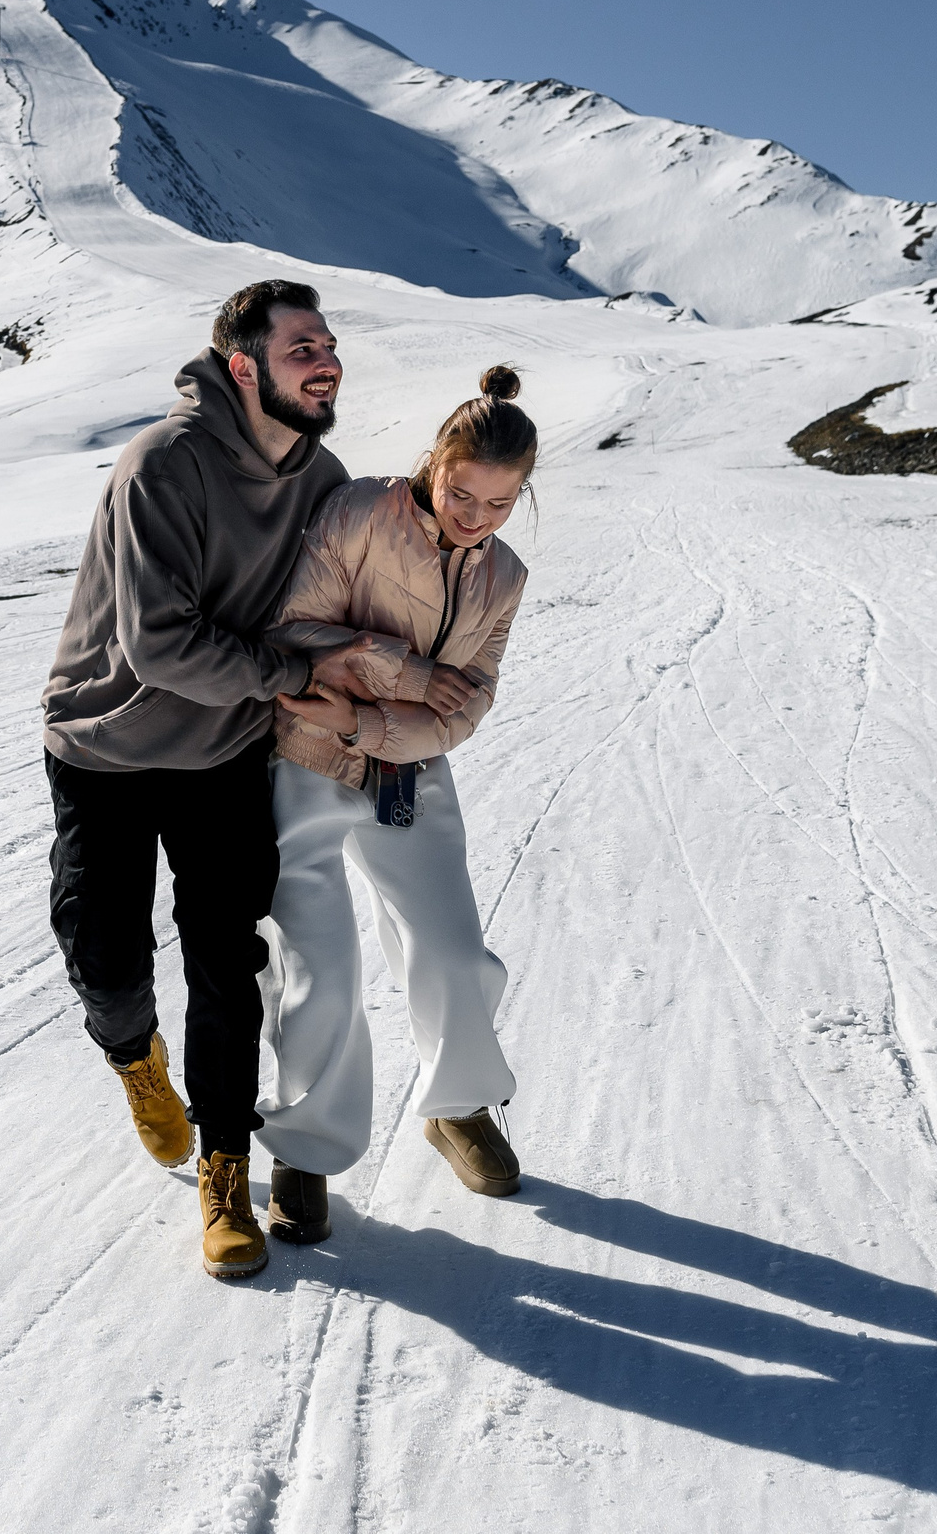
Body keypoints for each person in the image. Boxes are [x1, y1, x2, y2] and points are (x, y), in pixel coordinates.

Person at [42, 279, 376, 1280]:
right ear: (243, 368)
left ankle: (224, 1167)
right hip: (106, 744)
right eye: (299, 347)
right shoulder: (164, 466)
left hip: (224, 754)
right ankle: (132, 1051)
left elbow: (367, 583)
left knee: (226, 961)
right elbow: (158, 647)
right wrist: (289, 675)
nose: (325, 361)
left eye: (328, 343)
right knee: (104, 956)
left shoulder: (324, 482)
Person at [251, 366, 539, 1246]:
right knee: (317, 964)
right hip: (304, 757)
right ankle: (305, 1147)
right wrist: (409, 677)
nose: (476, 517)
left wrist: (373, 717)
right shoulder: (357, 512)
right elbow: (297, 630)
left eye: (500, 502)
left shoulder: (505, 577)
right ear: (436, 461)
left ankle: (455, 1108)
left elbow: (471, 705)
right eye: (463, 492)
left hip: (406, 771)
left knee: (451, 949)